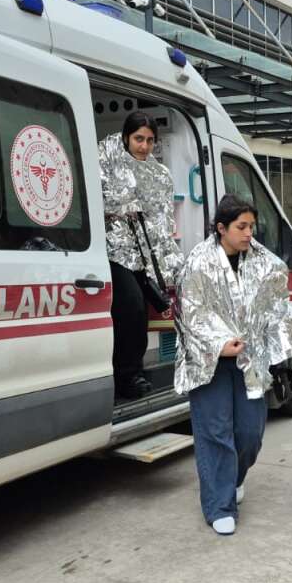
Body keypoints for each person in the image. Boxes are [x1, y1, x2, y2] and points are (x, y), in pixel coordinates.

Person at [174, 195, 292, 536]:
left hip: (250, 359)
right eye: (241, 227)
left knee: (249, 433)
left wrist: (281, 353)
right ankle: (219, 506)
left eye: (251, 227)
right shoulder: (197, 263)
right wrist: (219, 345)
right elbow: (191, 314)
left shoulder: (264, 263)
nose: (248, 233)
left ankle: (234, 478)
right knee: (215, 432)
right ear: (221, 228)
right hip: (209, 362)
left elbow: (277, 309)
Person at [99, 111, 183, 400]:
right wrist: (122, 207)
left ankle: (132, 371)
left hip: (141, 253)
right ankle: (125, 374)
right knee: (131, 306)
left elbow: (162, 219)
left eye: (149, 140)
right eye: (138, 138)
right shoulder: (107, 161)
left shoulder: (159, 175)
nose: (144, 146)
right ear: (126, 138)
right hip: (111, 250)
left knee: (140, 311)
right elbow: (96, 200)